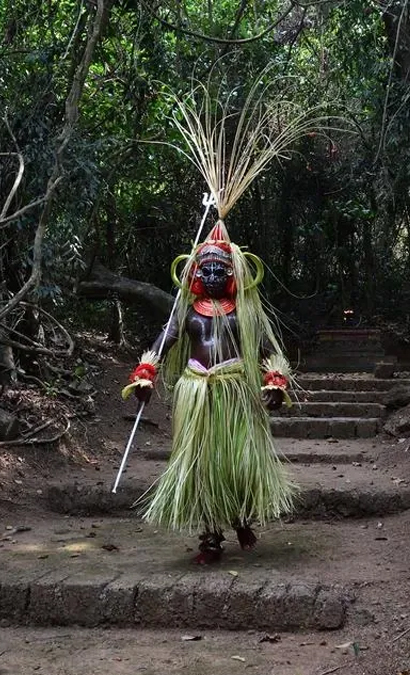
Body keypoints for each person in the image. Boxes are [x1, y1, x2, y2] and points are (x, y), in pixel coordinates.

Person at [122, 221, 295, 564]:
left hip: (234, 390)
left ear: (232, 276)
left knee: (239, 459)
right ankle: (211, 536)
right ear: (196, 274)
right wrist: (145, 375)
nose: (214, 276)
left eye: (221, 270)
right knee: (201, 465)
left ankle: (241, 515)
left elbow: (268, 353)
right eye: (207, 269)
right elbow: (163, 343)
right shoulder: (185, 312)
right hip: (196, 391)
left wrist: (275, 380)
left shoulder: (245, 313)